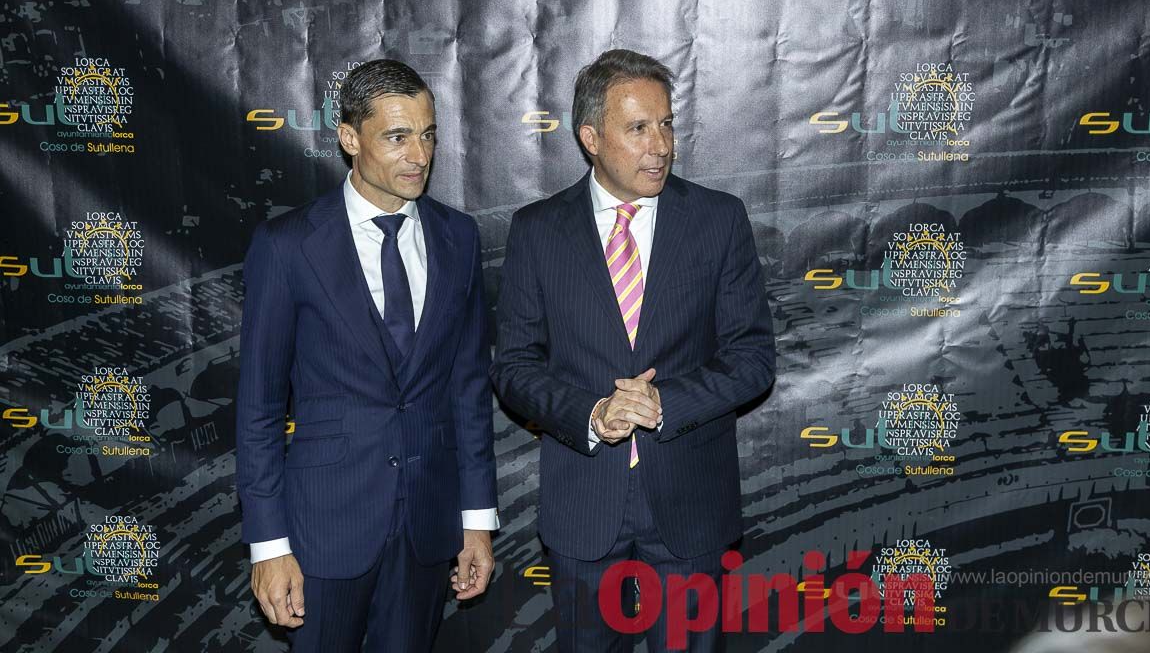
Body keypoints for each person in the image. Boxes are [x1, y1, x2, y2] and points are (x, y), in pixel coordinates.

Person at [492, 48, 776, 651]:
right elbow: (513, 368)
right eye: (639, 128)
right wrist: (591, 414)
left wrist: (663, 402)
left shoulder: (718, 220)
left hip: (690, 500)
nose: (661, 145)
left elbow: (752, 357)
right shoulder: (538, 230)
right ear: (591, 137)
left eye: (667, 123)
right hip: (583, 499)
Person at [236, 59, 498, 652]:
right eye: (397, 136)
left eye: (428, 135)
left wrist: (477, 520)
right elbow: (258, 408)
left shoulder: (458, 237)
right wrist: (269, 545)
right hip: (323, 529)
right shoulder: (288, 246)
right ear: (350, 137)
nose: (419, 155)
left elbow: (468, 392)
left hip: (429, 526)